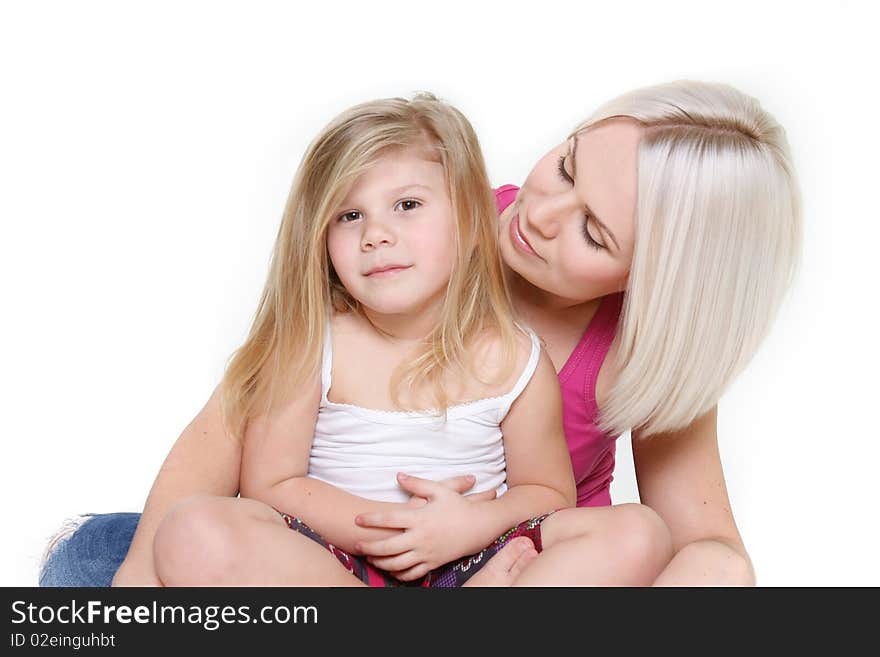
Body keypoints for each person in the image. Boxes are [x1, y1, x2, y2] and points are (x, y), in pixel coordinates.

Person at [40, 80, 800, 587]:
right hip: (327, 552)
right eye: (565, 165)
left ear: (658, 283)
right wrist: (137, 585)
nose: (538, 214)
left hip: (509, 571)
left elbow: (706, 545)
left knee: (653, 545)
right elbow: (231, 427)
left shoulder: (646, 346)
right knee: (103, 556)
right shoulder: (430, 225)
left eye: (593, 233)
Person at [148, 93, 577, 586]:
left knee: (633, 532)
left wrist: (470, 525)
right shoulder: (312, 344)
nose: (375, 234)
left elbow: (548, 492)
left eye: (407, 205)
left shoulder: (515, 357)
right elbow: (272, 484)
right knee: (191, 529)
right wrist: (393, 531)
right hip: (335, 566)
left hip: (473, 563)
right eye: (349, 216)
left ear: (473, 221)